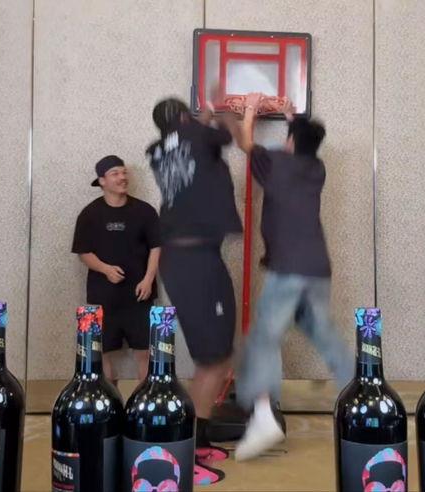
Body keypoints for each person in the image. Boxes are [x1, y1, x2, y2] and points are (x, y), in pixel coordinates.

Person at [231, 94, 354, 461]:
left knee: (263, 341)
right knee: (323, 333)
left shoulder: (277, 164)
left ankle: (263, 415)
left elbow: (246, 143)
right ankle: (360, 392)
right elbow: (300, 142)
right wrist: (290, 116)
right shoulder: (317, 169)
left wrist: (250, 109)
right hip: (318, 269)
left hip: (288, 270)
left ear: (290, 143)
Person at [146, 98, 242, 485]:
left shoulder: (160, 149)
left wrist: (203, 118)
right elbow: (227, 135)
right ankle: (183, 451)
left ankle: (198, 439)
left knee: (216, 354)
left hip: (188, 259)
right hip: (194, 261)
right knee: (214, 358)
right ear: (185, 117)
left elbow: (193, 144)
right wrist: (225, 108)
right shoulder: (194, 135)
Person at [72, 155, 160, 383]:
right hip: (103, 296)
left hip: (140, 295)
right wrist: (105, 269)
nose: (122, 177)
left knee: (145, 353)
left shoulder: (145, 211)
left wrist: (148, 279)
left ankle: (143, 401)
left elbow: (156, 246)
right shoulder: (90, 214)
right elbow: (83, 252)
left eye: (124, 172)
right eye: (115, 173)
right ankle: (110, 401)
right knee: (102, 353)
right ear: (102, 181)